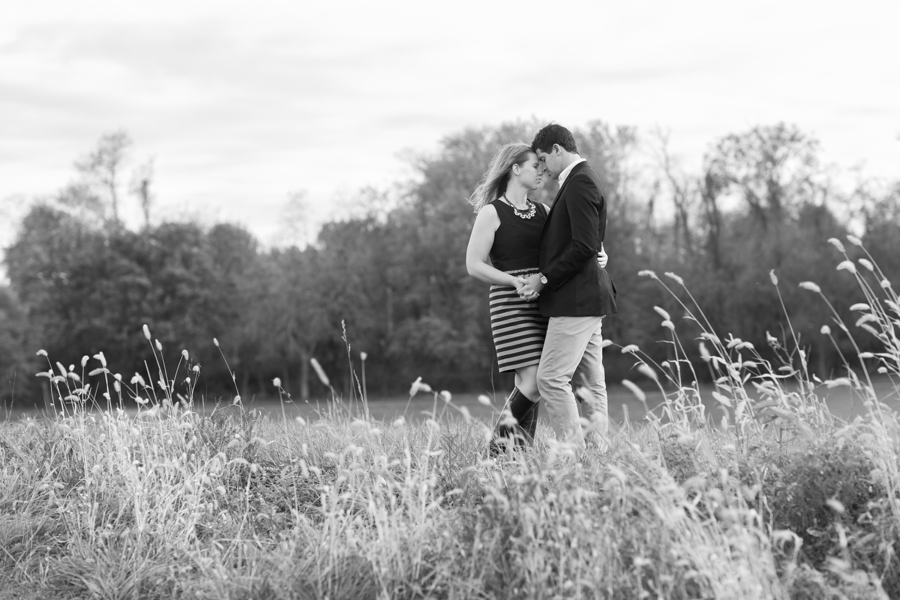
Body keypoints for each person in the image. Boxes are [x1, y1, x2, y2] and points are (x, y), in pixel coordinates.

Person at [465, 142, 607, 454]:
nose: (541, 172)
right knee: (531, 382)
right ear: (515, 169)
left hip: (543, 300)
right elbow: (474, 265)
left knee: (537, 384)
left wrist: (600, 252)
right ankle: (495, 452)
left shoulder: (543, 211)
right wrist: (515, 282)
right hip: (510, 303)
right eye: (534, 166)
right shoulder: (492, 212)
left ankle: (519, 456)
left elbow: (574, 244)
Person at [518, 124, 617, 452]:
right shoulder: (582, 179)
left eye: (544, 158)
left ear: (558, 149)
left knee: (550, 378)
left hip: (576, 299)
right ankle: (598, 459)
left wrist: (544, 279)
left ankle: (571, 455)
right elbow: (591, 244)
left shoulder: (580, 182)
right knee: (591, 384)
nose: (543, 167)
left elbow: (584, 245)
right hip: (589, 298)